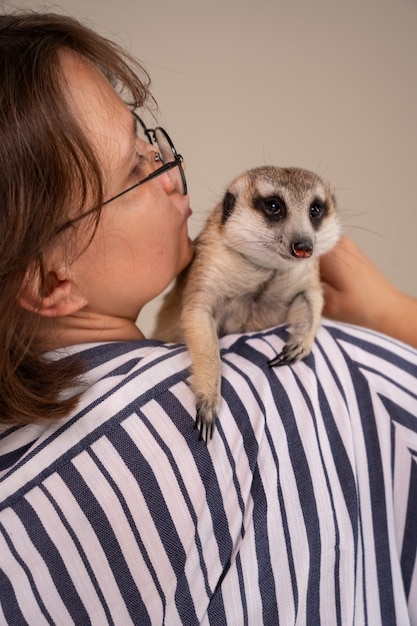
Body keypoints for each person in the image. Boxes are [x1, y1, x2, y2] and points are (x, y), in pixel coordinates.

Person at [0, 11, 416, 626]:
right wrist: (388, 313)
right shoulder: (285, 385)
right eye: (134, 169)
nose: (171, 169)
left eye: (148, 136)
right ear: (50, 280)